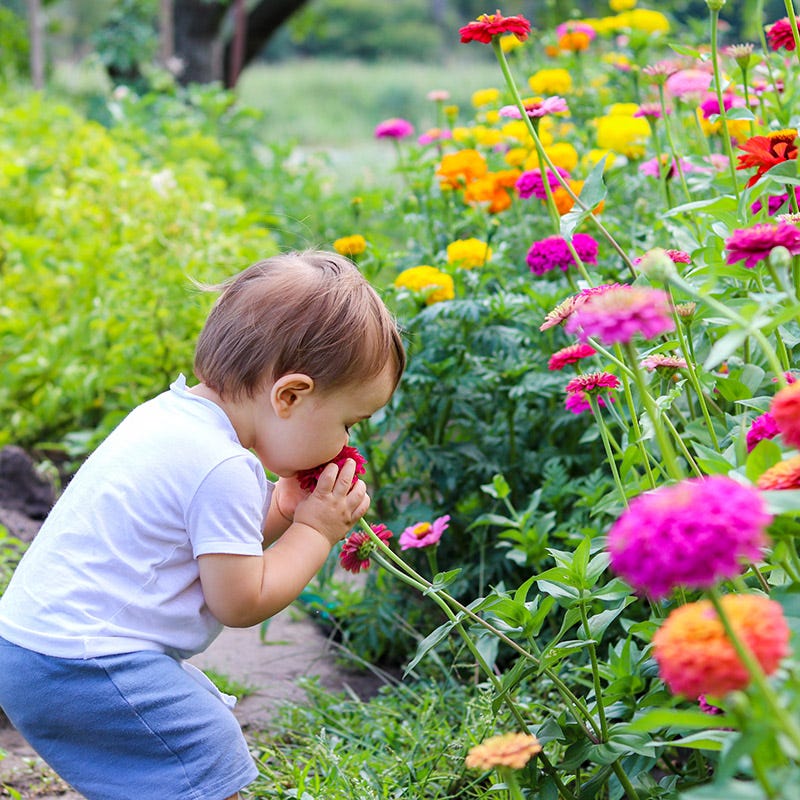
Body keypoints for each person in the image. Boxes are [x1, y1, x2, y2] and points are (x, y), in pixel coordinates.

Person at [0, 250, 406, 800]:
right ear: (290, 396)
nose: (346, 444)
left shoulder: (170, 419)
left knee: (159, 762)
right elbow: (240, 601)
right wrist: (314, 531)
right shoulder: (224, 466)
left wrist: (283, 509)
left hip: (35, 648)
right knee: (205, 753)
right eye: (347, 423)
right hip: (83, 662)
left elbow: (216, 545)